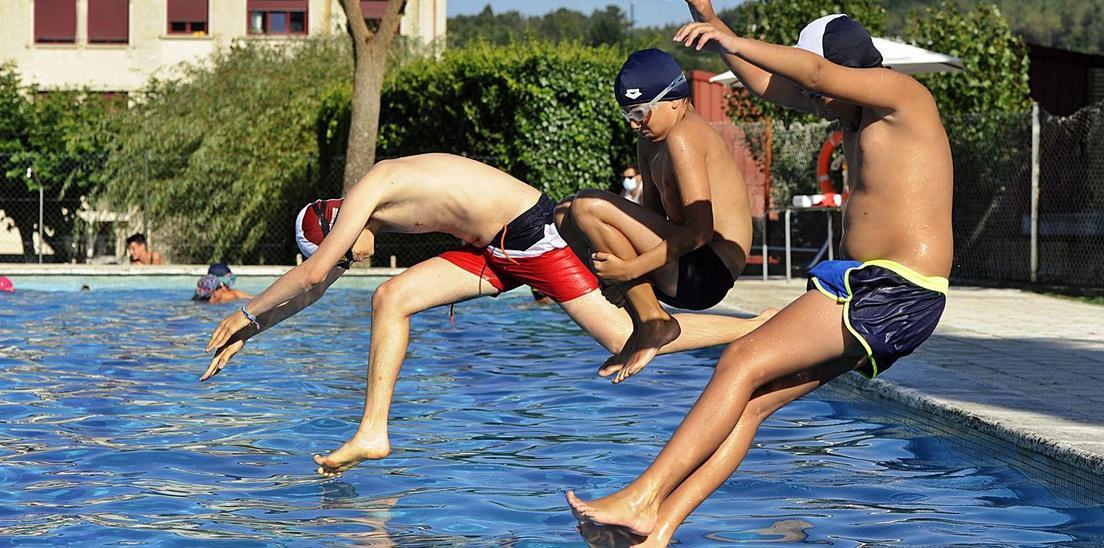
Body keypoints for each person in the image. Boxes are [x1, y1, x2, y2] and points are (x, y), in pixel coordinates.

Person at [566, 5, 953, 543]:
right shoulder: (853, 112)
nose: (814, 99)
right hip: (878, 286)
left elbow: (812, 75)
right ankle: (657, 530)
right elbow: (776, 85)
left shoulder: (903, 96)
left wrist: (743, 39)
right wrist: (715, 26)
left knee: (740, 360)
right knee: (746, 403)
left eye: (819, 84)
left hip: (893, 285)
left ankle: (643, 495)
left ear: (848, 69)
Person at [202, 153, 772, 477]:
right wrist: (255, 332)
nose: (346, 263)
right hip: (492, 248)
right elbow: (313, 289)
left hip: (525, 234)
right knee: (391, 297)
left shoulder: (366, 193)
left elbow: (308, 276)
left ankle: (759, 329)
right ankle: (373, 432)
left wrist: (245, 314)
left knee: (626, 337)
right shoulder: (365, 210)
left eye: (342, 256)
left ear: (335, 229)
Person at [558, 49, 756, 383]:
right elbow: (648, 218)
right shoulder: (650, 142)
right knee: (564, 213)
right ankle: (644, 317)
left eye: (640, 112)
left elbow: (699, 233)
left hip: (708, 271)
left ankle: (655, 323)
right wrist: (617, 279)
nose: (635, 123)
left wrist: (629, 269)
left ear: (676, 101)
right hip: (680, 264)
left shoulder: (684, 136)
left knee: (586, 205)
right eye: (628, 114)